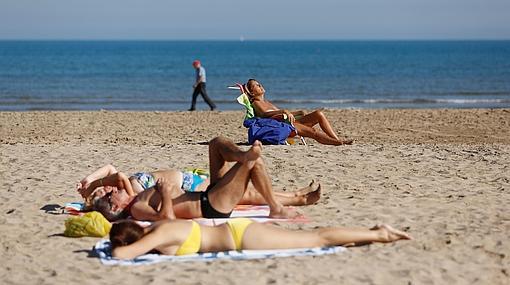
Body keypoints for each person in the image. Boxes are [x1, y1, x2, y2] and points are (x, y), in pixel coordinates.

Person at [79, 136, 312, 221]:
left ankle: (242, 155)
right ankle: (275, 208)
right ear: (114, 206)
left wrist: (91, 184)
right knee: (255, 163)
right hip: (211, 206)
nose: (113, 190)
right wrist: (166, 194)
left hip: (206, 194)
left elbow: (114, 173)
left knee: (216, 143)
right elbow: (166, 219)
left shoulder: (137, 196)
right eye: (110, 195)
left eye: (110, 191)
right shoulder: (138, 208)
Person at [110, 218, 412, 259]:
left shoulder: (159, 234)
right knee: (310, 238)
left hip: (243, 238)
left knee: (316, 239)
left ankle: (380, 234)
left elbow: (122, 256)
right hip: (240, 233)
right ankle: (369, 233)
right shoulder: (160, 229)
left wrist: (115, 247)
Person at [239, 79, 353, 146]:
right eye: (256, 85)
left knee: (319, 114)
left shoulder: (267, 102)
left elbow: (282, 114)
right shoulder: (256, 103)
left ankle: (337, 139)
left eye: (259, 84)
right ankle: (338, 143)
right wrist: (284, 111)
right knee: (313, 131)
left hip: (288, 122)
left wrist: (298, 112)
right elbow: (265, 115)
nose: (260, 85)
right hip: (282, 126)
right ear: (252, 92)